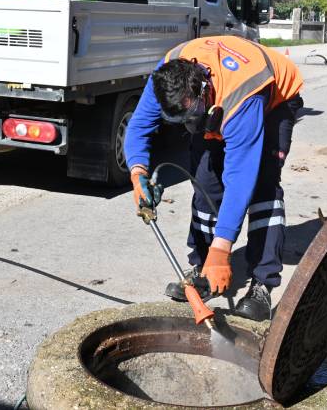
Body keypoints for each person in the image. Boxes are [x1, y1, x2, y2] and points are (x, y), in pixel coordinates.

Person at [123, 35, 303, 321]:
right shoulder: (165, 77)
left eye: (190, 114)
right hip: (218, 101)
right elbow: (139, 126)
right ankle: (202, 267)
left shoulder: (243, 96)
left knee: (262, 188)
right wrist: (138, 173)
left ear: (203, 90)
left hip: (273, 100)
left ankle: (261, 285)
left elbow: (241, 179)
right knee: (205, 181)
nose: (187, 124)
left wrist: (223, 248)